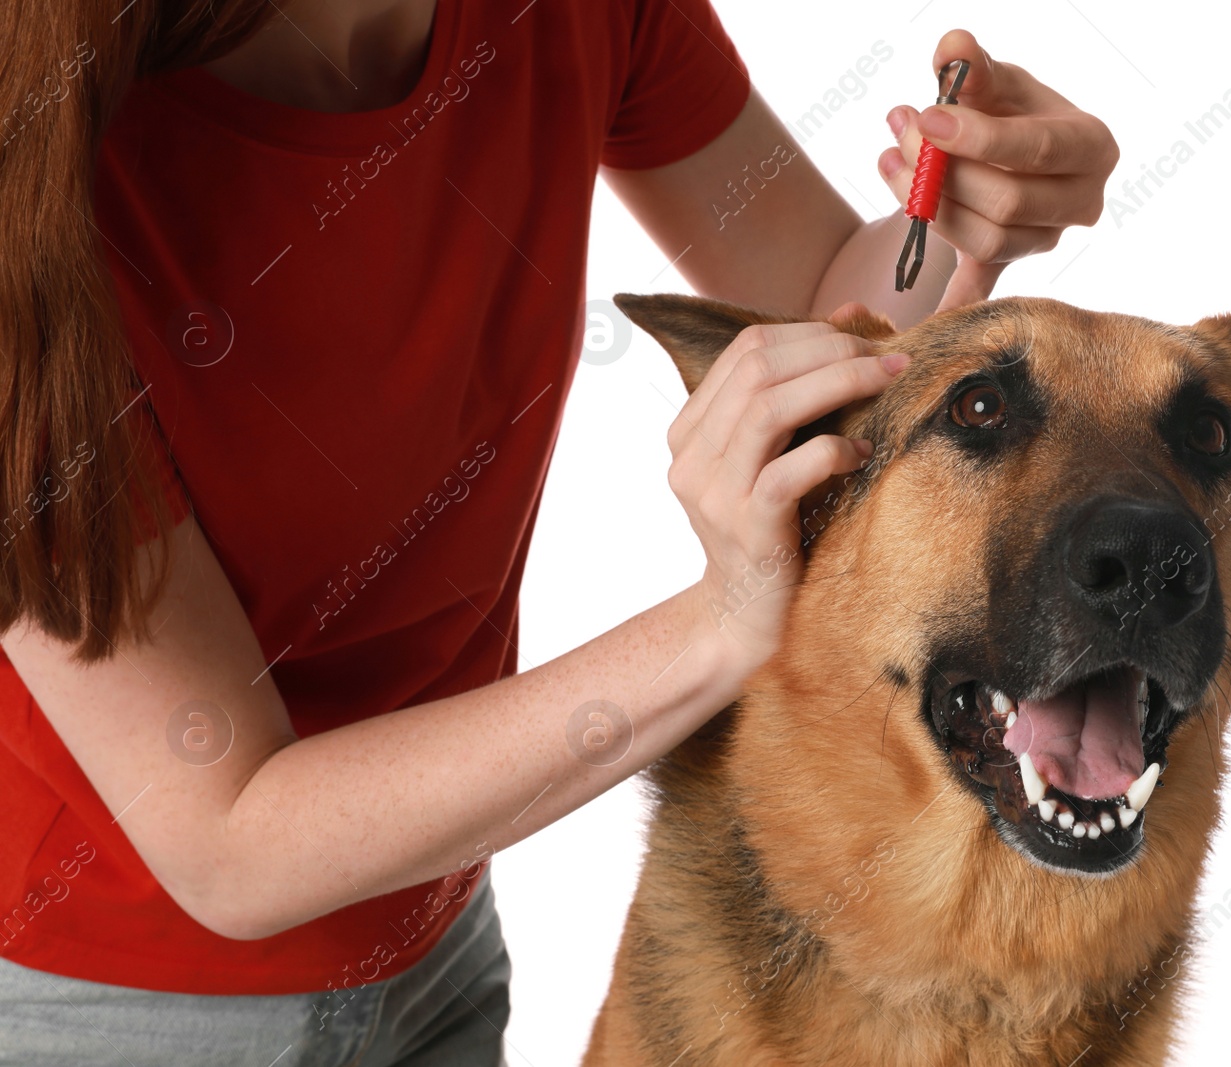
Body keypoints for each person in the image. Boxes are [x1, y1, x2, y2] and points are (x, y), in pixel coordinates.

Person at [0, 0, 1117, 1062]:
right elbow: (232, 838)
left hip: (435, 938)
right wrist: (721, 623)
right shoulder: (39, 173)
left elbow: (823, 314)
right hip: (105, 1002)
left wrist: (957, 230)